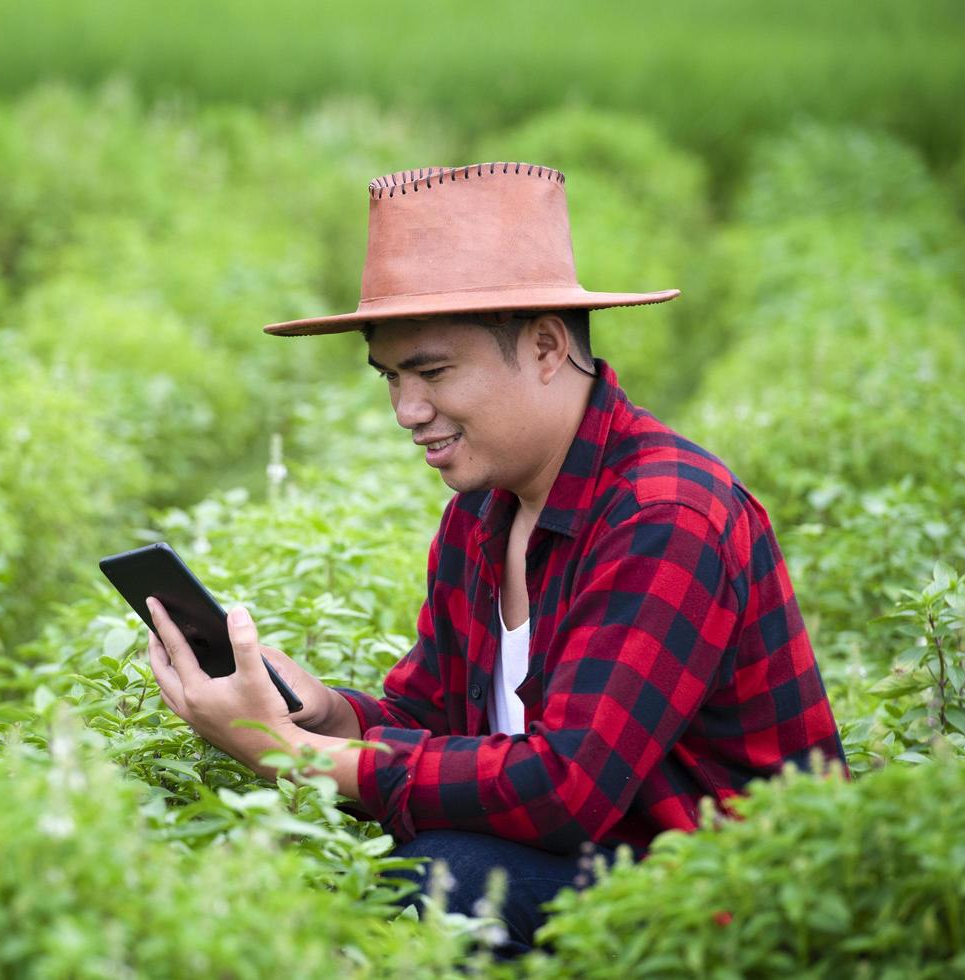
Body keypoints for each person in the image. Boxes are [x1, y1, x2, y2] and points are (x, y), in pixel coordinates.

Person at [144, 162, 845, 958]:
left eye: (433, 372)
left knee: (450, 877)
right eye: (392, 378)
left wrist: (291, 754)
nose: (407, 412)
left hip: (734, 912)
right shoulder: (482, 512)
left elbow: (565, 789)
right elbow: (437, 723)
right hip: (603, 873)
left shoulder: (665, 514)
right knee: (411, 874)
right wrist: (328, 716)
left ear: (547, 346)